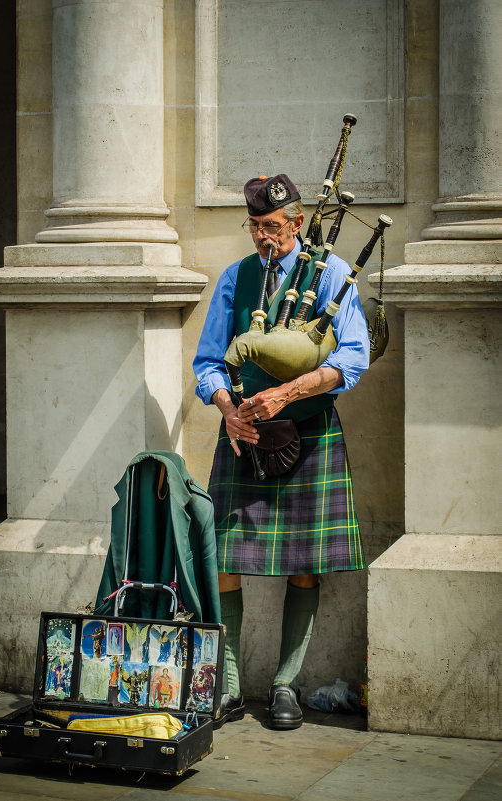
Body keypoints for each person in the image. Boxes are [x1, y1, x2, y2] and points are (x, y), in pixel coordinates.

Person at [193, 174, 369, 730]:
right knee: (222, 561)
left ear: (297, 222)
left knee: (305, 565)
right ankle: (227, 687)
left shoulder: (332, 273)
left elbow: (355, 356)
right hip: (244, 435)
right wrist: (227, 408)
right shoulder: (235, 278)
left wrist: (290, 391)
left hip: (309, 432)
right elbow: (208, 363)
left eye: (272, 226)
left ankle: (285, 686)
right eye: (254, 227)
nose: (262, 237)